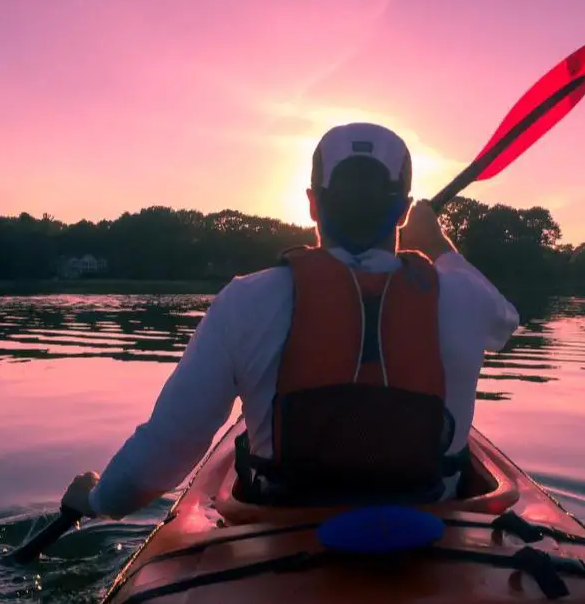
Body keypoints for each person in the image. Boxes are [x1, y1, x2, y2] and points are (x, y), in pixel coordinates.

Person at [61, 122, 520, 518]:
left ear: (312, 204)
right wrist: (437, 242)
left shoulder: (245, 300)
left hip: (283, 529)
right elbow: (506, 321)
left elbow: (163, 453)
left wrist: (97, 500)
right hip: (433, 531)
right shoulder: (464, 297)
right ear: (402, 210)